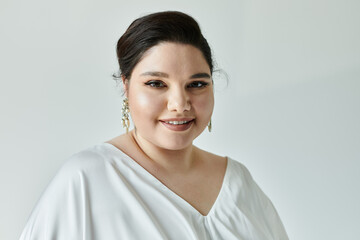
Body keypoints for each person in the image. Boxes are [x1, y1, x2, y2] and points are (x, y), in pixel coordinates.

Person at [19, 11, 288, 240]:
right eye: (157, 84)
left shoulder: (239, 183)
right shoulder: (85, 180)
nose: (180, 104)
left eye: (197, 84)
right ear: (126, 86)